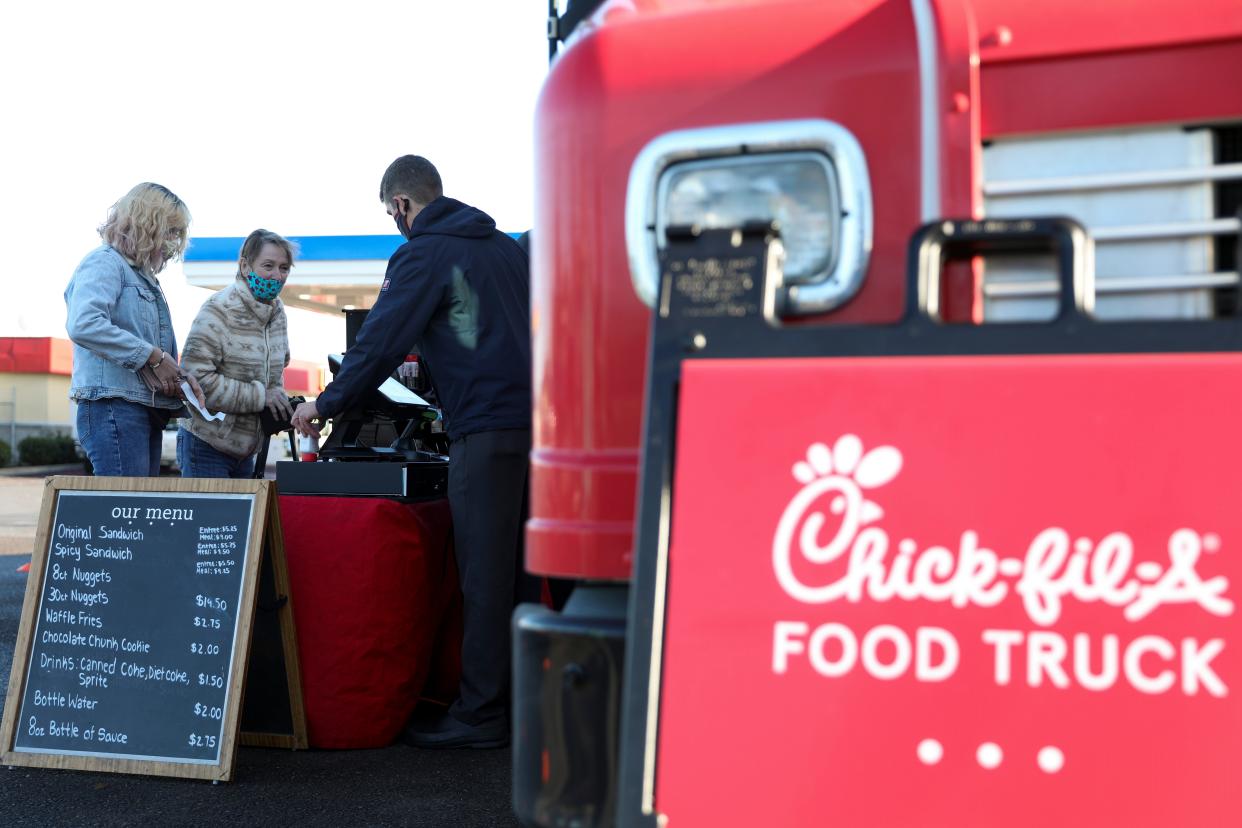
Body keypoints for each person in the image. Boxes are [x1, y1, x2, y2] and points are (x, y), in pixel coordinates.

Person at [292, 155, 533, 749]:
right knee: (523, 574)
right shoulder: (504, 248)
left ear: (401, 204)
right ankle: (531, 702)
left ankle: (481, 715)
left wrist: (324, 405)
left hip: (483, 428)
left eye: (391, 213)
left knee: (482, 575)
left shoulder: (422, 252)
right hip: (536, 428)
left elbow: (379, 341)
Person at [65, 182, 204, 477]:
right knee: (123, 514)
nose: (173, 243)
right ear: (148, 223)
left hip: (137, 408)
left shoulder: (139, 276)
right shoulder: (104, 262)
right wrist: (153, 356)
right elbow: (84, 323)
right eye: (171, 230)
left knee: (133, 513)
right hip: (113, 408)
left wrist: (175, 375)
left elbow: (146, 352)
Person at [177, 229, 295, 478]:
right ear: (245, 266)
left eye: (284, 268)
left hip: (247, 450)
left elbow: (274, 381)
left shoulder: (277, 313)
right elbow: (193, 381)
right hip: (207, 445)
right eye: (268, 266)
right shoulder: (218, 309)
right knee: (212, 518)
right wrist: (260, 397)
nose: (277, 276)